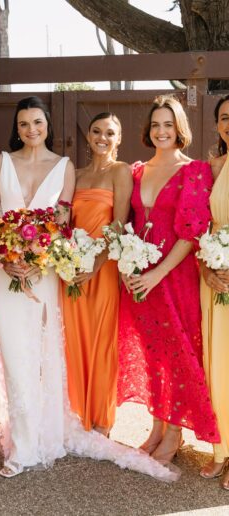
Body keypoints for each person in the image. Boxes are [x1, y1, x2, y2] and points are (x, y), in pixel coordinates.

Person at [0, 96, 178, 481]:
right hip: (48, 268)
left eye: (37, 122)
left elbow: (115, 224)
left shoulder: (77, 169)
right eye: (24, 123)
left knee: (87, 344)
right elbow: (25, 219)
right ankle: (34, 430)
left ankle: (96, 421)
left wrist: (81, 263)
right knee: (57, 347)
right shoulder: (54, 168)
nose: (31, 129)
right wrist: (9, 254)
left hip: (82, 270)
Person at [118, 95, 220, 464]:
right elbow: (126, 225)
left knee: (177, 353)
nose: (162, 131)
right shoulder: (136, 171)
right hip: (140, 280)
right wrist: (130, 269)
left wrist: (158, 273)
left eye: (168, 125)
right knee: (153, 355)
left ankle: (175, 432)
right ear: (148, 130)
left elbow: (192, 232)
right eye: (156, 125)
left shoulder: (195, 171)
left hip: (174, 278)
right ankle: (158, 425)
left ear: (180, 130)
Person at [61, 112, 132, 435]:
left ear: (119, 139)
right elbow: (65, 222)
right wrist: (69, 260)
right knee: (74, 339)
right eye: (96, 131)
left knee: (102, 339)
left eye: (110, 133)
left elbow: (119, 224)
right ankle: (77, 413)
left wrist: (96, 264)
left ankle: (102, 418)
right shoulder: (75, 174)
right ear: (88, 137)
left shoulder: (121, 172)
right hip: (74, 268)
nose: (102, 137)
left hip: (102, 269)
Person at [199, 94, 229, 489]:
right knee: (217, 362)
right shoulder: (212, 167)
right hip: (215, 276)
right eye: (224, 117)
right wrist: (207, 267)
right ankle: (221, 448)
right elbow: (199, 224)